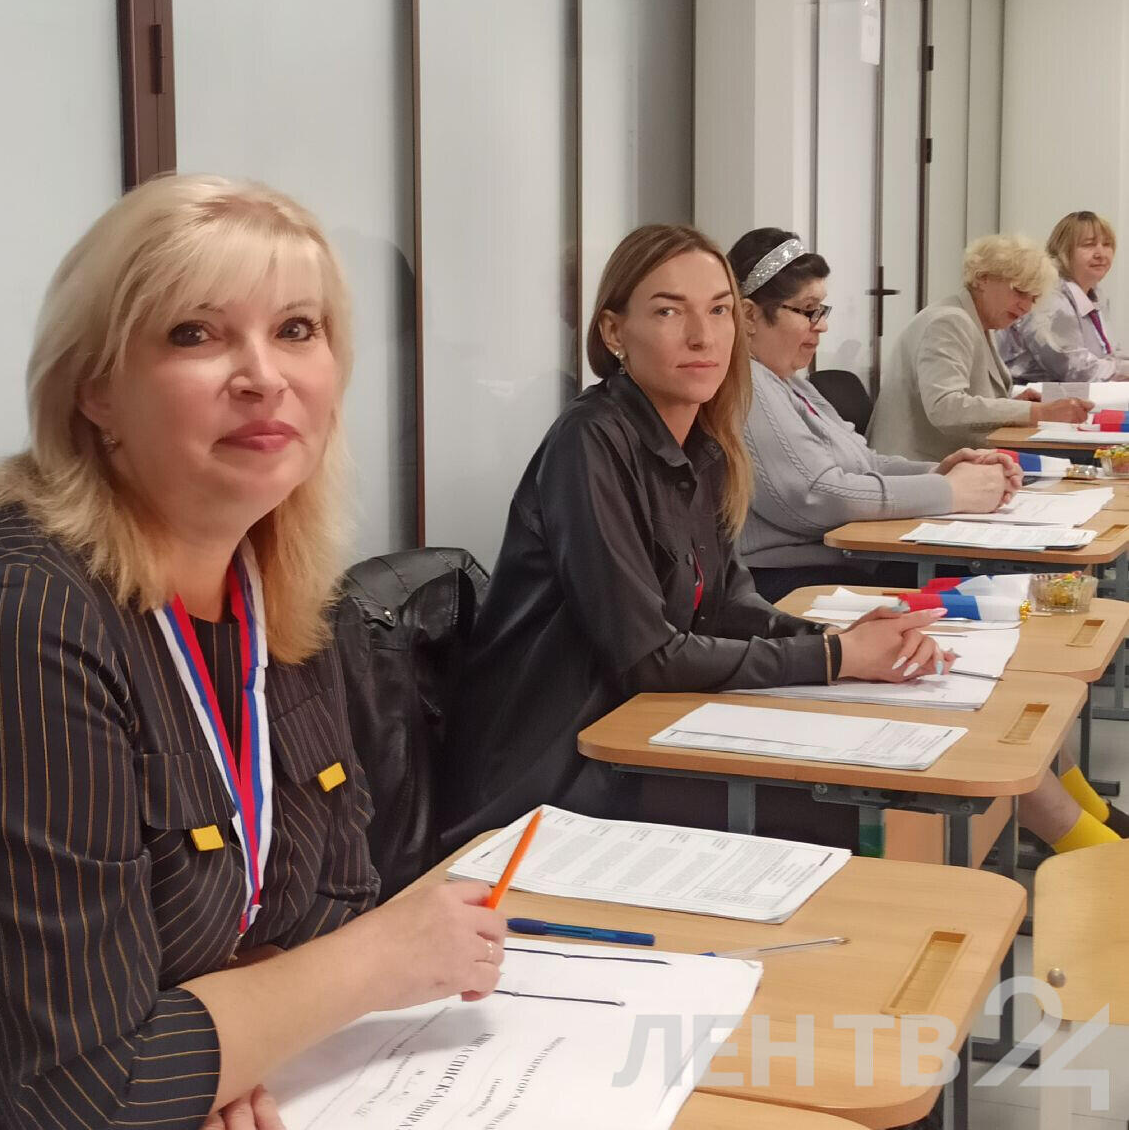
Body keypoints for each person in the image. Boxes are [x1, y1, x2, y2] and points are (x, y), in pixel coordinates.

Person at [0, 176, 507, 1130]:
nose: (263, 375)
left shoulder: (274, 587)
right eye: (194, 334)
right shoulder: (18, 617)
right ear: (96, 392)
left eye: (296, 329)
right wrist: (375, 962)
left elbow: (318, 902)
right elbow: (88, 1092)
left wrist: (225, 1045)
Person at [440, 224, 959, 851]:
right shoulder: (590, 442)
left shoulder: (704, 442)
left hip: (647, 728)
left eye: (718, 311)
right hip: (556, 765)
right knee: (856, 814)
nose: (702, 336)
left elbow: (729, 606)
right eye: (668, 311)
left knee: (889, 784)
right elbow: (647, 657)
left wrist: (840, 640)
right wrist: (837, 658)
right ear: (613, 332)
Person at [731, 227, 1019, 602]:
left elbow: (866, 462)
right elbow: (817, 496)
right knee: (993, 589)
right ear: (749, 315)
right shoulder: (748, 383)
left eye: (822, 310)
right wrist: (950, 491)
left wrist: (942, 471)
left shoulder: (788, 381)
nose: (822, 324)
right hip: (787, 582)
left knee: (999, 584)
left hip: (836, 563)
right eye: (807, 310)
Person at [867, 234, 1090, 462]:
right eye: (1020, 291)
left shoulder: (977, 321)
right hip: (915, 468)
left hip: (950, 462)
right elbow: (945, 407)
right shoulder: (949, 322)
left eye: (1033, 298)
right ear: (982, 278)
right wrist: (1037, 413)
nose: (1025, 306)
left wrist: (1014, 406)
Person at [998, 210, 1122, 382]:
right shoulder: (1049, 297)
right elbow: (1075, 369)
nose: (1100, 254)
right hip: (1027, 395)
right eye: (1089, 245)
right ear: (1063, 251)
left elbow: (1110, 355)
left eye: (1107, 244)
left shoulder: (1095, 295)